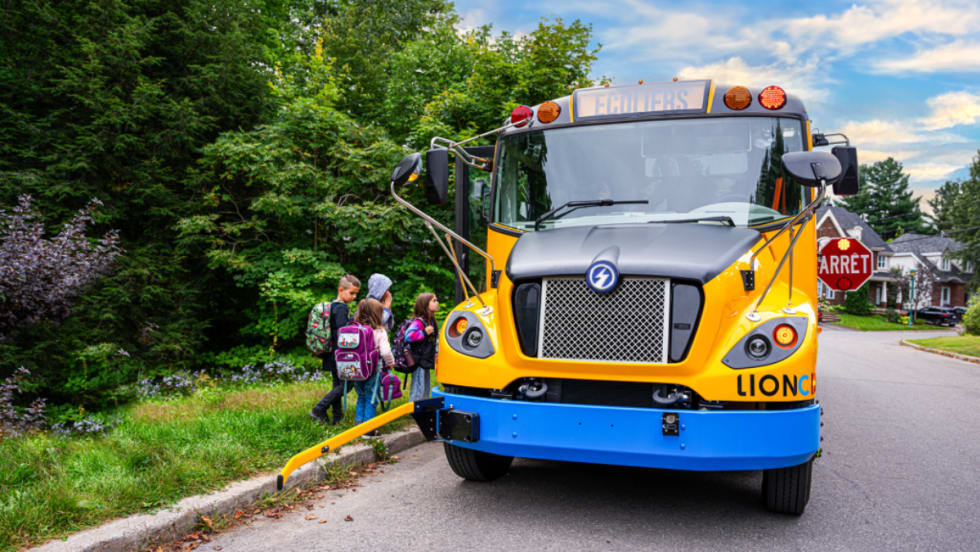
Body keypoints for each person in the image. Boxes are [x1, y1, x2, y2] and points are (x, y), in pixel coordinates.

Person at [309, 274, 360, 425]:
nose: (354, 296)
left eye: (356, 293)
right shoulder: (342, 308)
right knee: (346, 385)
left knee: (337, 384)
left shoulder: (332, 305)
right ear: (340, 290)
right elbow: (343, 333)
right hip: (339, 354)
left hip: (330, 352)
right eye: (351, 293)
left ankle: (337, 417)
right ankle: (319, 408)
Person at [352, 298, 394, 428]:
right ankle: (368, 429)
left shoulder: (354, 329)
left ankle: (358, 426)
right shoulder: (380, 331)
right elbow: (386, 352)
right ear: (377, 314)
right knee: (371, 397)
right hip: (372, 369)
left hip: (355, 369)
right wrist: (391, 363)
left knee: (361, 396)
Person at [405, 293, 439, 401]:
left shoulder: (431, 320)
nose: (437, 302)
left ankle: (422, 410)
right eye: (434, 300)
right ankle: (414, 411)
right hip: (418, 362)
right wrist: (424, 333)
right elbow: (409, 336)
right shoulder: (419, 322)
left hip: (425, 361)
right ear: (425, 304)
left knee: (425, 388)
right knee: (418, 389)